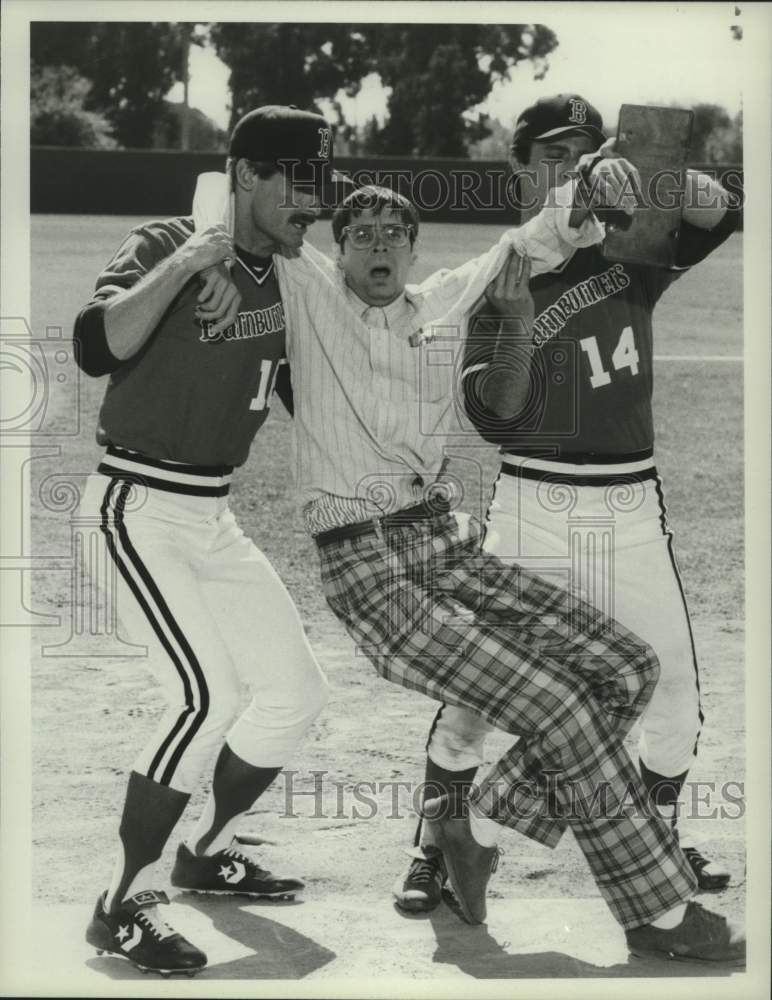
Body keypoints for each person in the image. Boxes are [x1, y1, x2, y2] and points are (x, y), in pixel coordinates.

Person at [190, 162, 743, 961]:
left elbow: (531, 239)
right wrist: (208, 256)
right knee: (559, 705)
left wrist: (587, 187)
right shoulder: (304, 292)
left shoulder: (447, 299)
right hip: (367, 569)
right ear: (336, 250)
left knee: (626, 667)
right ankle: (658, 914)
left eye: (393, 235)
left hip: (440, 542)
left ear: (414, 250)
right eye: (361, 236)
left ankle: (469, 827)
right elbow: (222, 197)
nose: (378, 247)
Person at [398, 94, 740, 915]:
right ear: (521, 167)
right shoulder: (499, 272)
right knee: (477, 695)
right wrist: (515, 323)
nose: (572, 167)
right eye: (554, 153)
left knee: (675, 697)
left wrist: (662, 177)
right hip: (531, 508)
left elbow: (724, 212)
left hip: (629, 506)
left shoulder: (635, 246)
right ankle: (434, 848)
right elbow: (494, 414)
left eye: (584, 152)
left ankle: (651, 844)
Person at [72, 105, 338, 977]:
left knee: (294, 690)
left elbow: (318, 405)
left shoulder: (295, 279)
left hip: (212, 518)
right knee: (202, 696)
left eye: (321, 182)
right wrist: (190, 262)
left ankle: (206, 851)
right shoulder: (169, 241)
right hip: (135, 506)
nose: (315, 201)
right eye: (299, 181)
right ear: (248, 177)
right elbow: (96, 344)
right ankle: (123, 904)